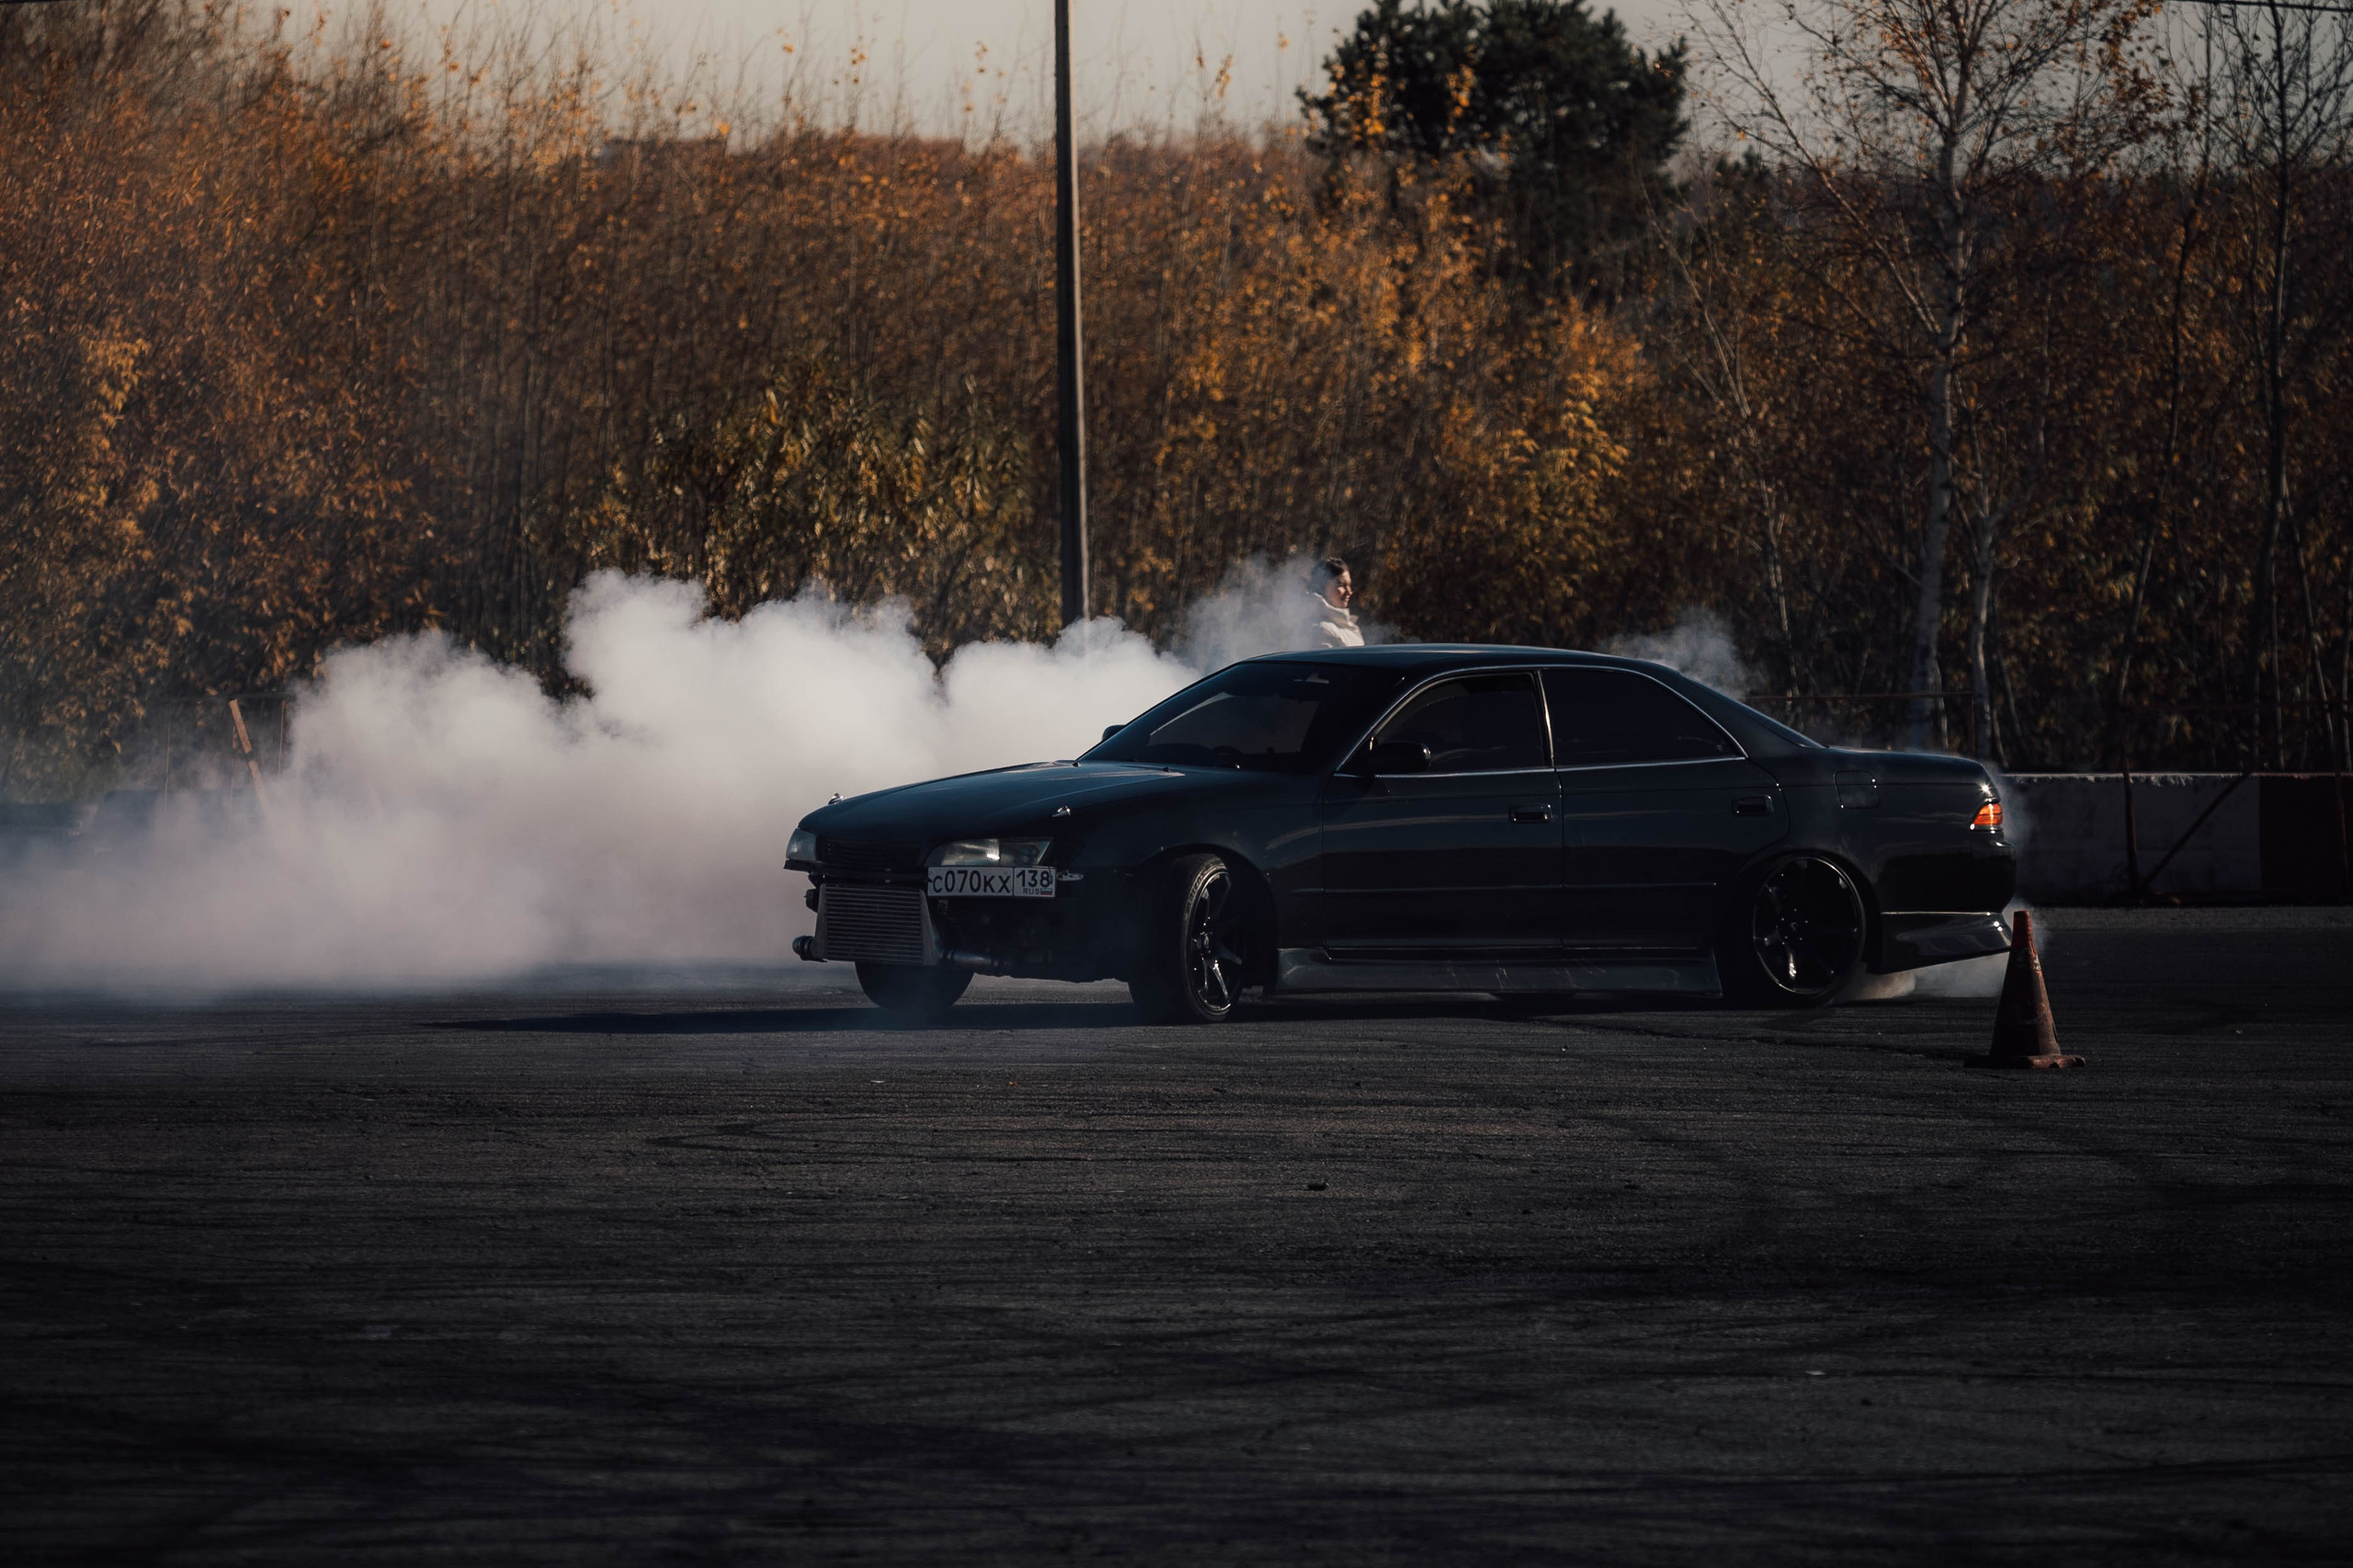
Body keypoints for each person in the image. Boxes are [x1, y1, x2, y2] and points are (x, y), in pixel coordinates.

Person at [1306, 556, 1363, 648]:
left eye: (1349, 585)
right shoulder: (1321, 629)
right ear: (1322, 586)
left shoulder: (1346, 625)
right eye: (1341, 584)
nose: (1349, 592)